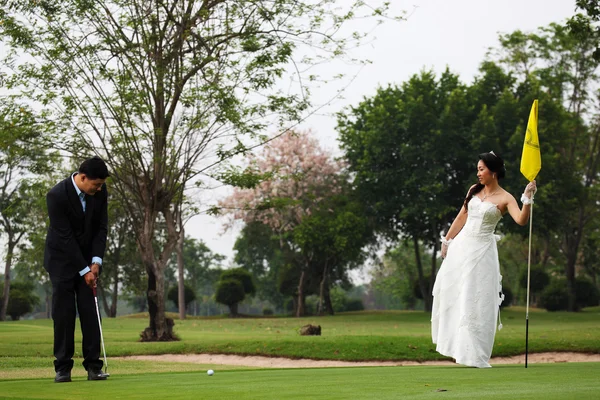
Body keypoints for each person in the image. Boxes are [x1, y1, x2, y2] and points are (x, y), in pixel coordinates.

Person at [431, 151, 537, 368]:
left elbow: (521, 220)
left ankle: (475, 354)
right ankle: (458, 348)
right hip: (462, 247)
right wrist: (447, 240)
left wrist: (527, 198)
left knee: (476, 299)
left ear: (493, 171)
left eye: (481, 169)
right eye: (478, 169)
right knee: (457, 295)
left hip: (482, 252)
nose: (478, 173)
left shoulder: (506, 198)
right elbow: (462, 215)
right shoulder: (473, 190)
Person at [44, 156, 110, 382]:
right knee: (64, 315)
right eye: (96, 184)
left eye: (101, 184)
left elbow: (101, 228)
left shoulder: (100, 192)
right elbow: (65, 237)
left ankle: (93, 366)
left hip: (88, 262)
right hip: (61, 261)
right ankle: (63, 368)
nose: (99, 188)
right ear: (83, 178)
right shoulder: (56, 195)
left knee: (90, 313)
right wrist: (85, 270)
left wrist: (96, 262)